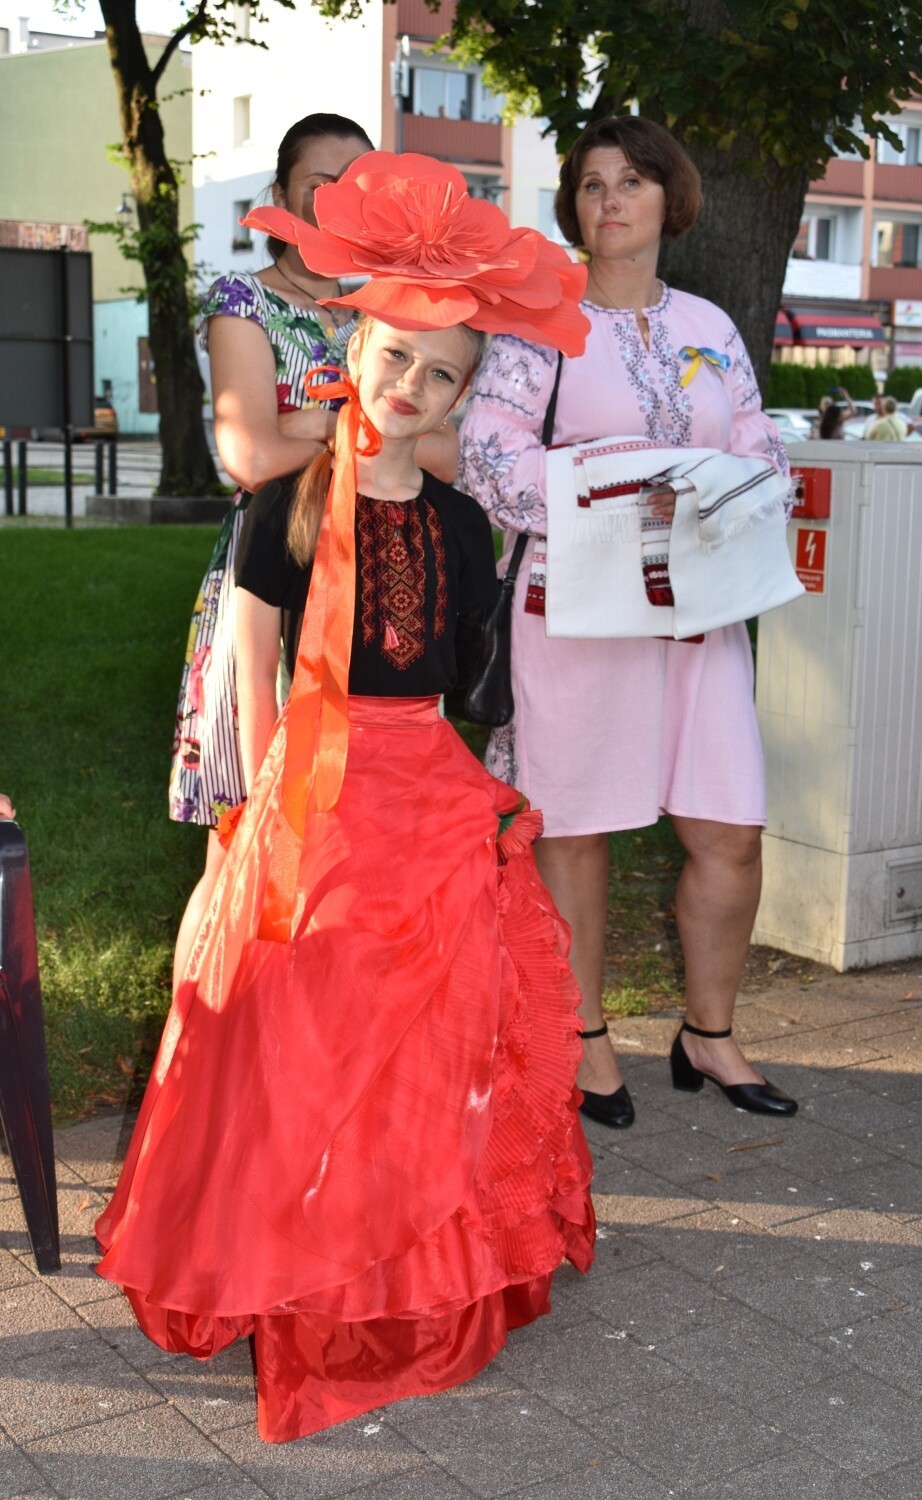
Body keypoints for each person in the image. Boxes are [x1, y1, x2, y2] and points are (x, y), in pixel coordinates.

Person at [96, 152, 595, 1444]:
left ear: (462, 397)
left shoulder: (461, 523)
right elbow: (252, 665)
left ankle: (407, 1245)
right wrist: (272, 814)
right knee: (307, 1024)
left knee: (433, 1030)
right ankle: (294, 1244)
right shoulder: (285, 503)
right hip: (311, 785)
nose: (411, 386)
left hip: (423, 786)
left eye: (443, 376)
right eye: (396, 359)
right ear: (352, 353)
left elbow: (460, 676)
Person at [459, 115, 799, 1128]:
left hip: (697, 610)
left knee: (730, 828)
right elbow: (487, 458)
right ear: (575, 204)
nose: (610, 199)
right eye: (592, 183)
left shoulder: (708, 325)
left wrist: (737, 490)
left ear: (668, 200)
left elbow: (759, 447)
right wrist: (623, 485)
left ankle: (709, 1034)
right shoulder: (538, 321)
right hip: (575, 607)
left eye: (632, 181)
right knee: (576, 826)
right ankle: (584, 1036)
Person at [169, 113, 456, 991]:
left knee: (349, 856)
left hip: (378, 597)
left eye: (356, 188)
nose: (336, 204)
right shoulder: (242, 300)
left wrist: (305, 420)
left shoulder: (390, 307)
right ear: (281, 196)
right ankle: (200, 1043)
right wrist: (361, 428)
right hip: (275, 579)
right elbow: (249, 454)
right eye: (317, 186)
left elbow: (450, 454)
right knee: (239, 843)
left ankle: (310, 1040)